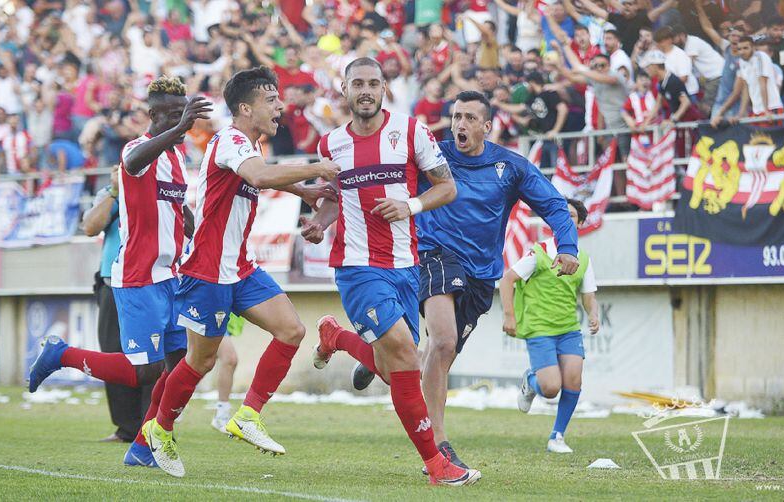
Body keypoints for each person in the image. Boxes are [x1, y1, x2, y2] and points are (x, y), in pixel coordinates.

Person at [324, 89, 580, 470]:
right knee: (442, 342)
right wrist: (325, 216)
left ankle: (364, 352)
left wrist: (568, 246)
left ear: (487, 127)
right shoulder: (432, 155)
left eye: (470, 119)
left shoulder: (510, 167)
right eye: (457, 116)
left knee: (424, 364)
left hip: (480, 276)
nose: (460, 124)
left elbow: (554, 204)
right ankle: (439, 445)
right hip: (432, 254)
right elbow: (369, 182)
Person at [141, 66, 341, 478]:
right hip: (207, 272)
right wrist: (315, 169)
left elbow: (260, 176)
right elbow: (258, 175)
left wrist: (301, 193)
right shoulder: (231, 140)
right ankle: (158, 429)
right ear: (245, 108)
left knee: (291, 330)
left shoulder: (248, 143)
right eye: (271, 100)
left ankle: (247, 415)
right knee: (201, 362)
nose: (280, 106)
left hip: (239, 268)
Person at [301, 58, 480, 486]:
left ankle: (337, 337)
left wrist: (410, 205)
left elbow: (447, 186)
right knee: (402, 353)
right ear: (344, 90)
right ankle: (438, 465)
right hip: (357, 266)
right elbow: (331, 198)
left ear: (385, 88)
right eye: (356, 83)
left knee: (394, 367)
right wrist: (319, 224)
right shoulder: (331, 145)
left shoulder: (412, 130)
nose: (365, 90)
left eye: (372, 83)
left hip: (405, 266)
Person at [27, 76, 212, 469]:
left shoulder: (177, 158)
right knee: (145, 371)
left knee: (180, 366)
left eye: (184, 116)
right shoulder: (135, 149)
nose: (182, 124)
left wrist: (191, 220)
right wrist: (181, 128)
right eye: (173, 116)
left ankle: (145, 445)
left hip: (171, 276)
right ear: (154, 115)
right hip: (138, 276)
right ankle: (62, 355)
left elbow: (174, 206)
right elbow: (132, 162)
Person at [500, 199, 599, 454]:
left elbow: (589, 296)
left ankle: (557, 436)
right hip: (539, 328)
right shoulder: (540, 252)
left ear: (579, 224)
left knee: (574, 380)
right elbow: (507, 280)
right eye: (561, 215)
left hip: (568, 328)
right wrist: (509, 316)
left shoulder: (584, 260)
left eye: (572, 216)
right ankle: (531, 381)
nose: (566, 219)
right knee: (551, 388)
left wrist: (593, 315)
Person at [80, 167, 153, 444]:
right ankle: (126, 429)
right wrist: (114, 190)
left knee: (151, 357)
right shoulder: (112, 193)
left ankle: (150, 428)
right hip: (112, 285)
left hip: (149, 285)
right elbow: (90, 227)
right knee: (113, 355)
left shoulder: (160, 188)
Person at [711, 36, 784, 127]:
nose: (742, 52)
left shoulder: (760, 57)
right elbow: (745, 90)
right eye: (739, 49)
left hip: (772, 108)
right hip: (756, 111)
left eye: (745, 48)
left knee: (771, 140)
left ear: (753, 48)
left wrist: (766, 110)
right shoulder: (742, 62)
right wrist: (740, 114)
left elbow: (763, 83)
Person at [210, 316, 242, 433]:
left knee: (202, 364)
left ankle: (221, 414)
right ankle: (171, 405)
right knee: (229, 359)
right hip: (207, 313)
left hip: (222, 318)